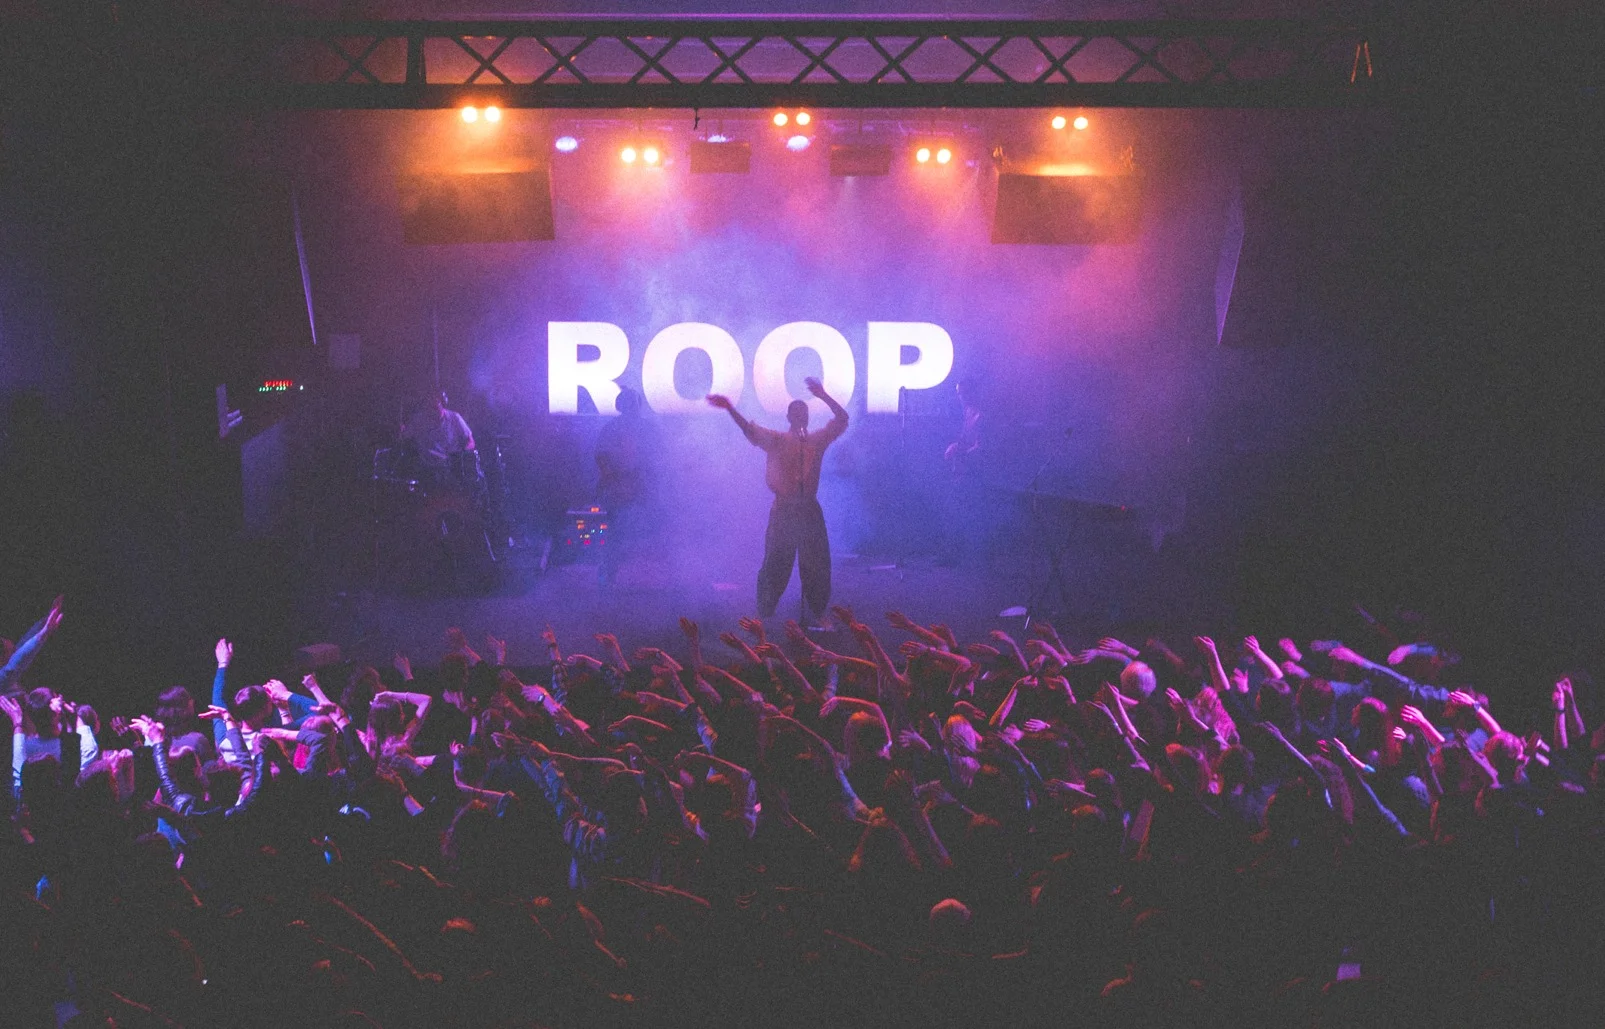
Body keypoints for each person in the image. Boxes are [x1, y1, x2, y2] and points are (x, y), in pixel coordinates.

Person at [707, 376, 848, 622]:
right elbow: (748, 429)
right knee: (776, 561)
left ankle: (818, 612)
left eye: (804, 413)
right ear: (789, 417)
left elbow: (842, 419)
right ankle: (763, 613)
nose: (801, 416)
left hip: (809, 508)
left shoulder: (816, 441)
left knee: (816, 562)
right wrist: (730, 408)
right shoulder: (777, 441)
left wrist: (823, 395)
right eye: (797, 413)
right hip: (784, 508)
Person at [402, 391, 476, 475]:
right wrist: (402, 431)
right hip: (426, 468)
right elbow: (405, 436)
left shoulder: (455, 417)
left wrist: (461, 455)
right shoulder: (419, 420)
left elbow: (471, 442)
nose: (433, 411)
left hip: (451, 467)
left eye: (436, 407)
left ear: (443, 405)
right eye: (430, 407)